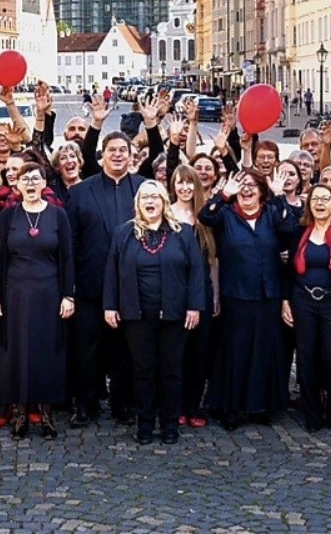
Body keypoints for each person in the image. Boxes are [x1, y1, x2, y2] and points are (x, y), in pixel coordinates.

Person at [104, 180, 204, 445]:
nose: (150, 202)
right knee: (143, 371)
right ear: (138, 203)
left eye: (155, 197)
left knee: (171, 370)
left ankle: (170, 424)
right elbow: (112, 272)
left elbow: (196, 271)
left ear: (164, 202)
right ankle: (145, 424)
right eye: (145, 197)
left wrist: (194, 305)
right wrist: (110, 305)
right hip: (136, 315)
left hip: (173, 314)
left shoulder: (182, 233)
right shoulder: (123, 233)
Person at [199, 169, 296, 431]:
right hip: (236, 294)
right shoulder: (226, 215)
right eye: (242, 185)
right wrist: (224, 193)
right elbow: (204, 215)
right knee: (236, 351)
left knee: (263, 350)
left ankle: (260, 406)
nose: (247, 189)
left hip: (267, 295)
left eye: (253, 185)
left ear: (262, 190)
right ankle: (231, 407)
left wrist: (278, 197)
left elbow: (290, 227)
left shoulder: (272, 213)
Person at [65, 131, 150, 428]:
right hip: (90, 284)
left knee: (125, 351)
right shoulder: (79, 192)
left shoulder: (143, 189)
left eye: (122, 150)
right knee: (86, 351)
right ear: (102, 155)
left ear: (131, 155)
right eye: (111, 150)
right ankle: (85, 405)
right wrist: (70, 286)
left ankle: (122, 404)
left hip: (132, 287)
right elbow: (71, 242)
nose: (117, 155)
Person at [0, 161, 75, 439]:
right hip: (15, 293)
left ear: (44, 183)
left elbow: (66, 258)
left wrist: (68, 295)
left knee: (47, 352)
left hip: (49, 292)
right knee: (17, 353)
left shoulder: (58, 216)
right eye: (25, 179)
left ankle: (47, 415)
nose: (30, 184)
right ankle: (20, 415)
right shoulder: (8, 216)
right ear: (17, 184)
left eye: (35, 179)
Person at [282, 184, 331, 433]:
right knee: (306, 358)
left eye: (326, 199)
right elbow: (288, 270)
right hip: (302, 300)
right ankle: (312, 413)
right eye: (315, 199)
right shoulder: (299, 231)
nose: (320, 203)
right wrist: (285, 301)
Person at [168, 165, 219, 429]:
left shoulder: (204, 217)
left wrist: (216, 294)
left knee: (200, 353)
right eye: (180, 182)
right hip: (175, 293)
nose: (185, 187)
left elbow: (213, 260)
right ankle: (175, 406)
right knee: (177, 353)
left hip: (202, 292)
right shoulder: (167, 215)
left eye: (190, 182)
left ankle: (193, 405)